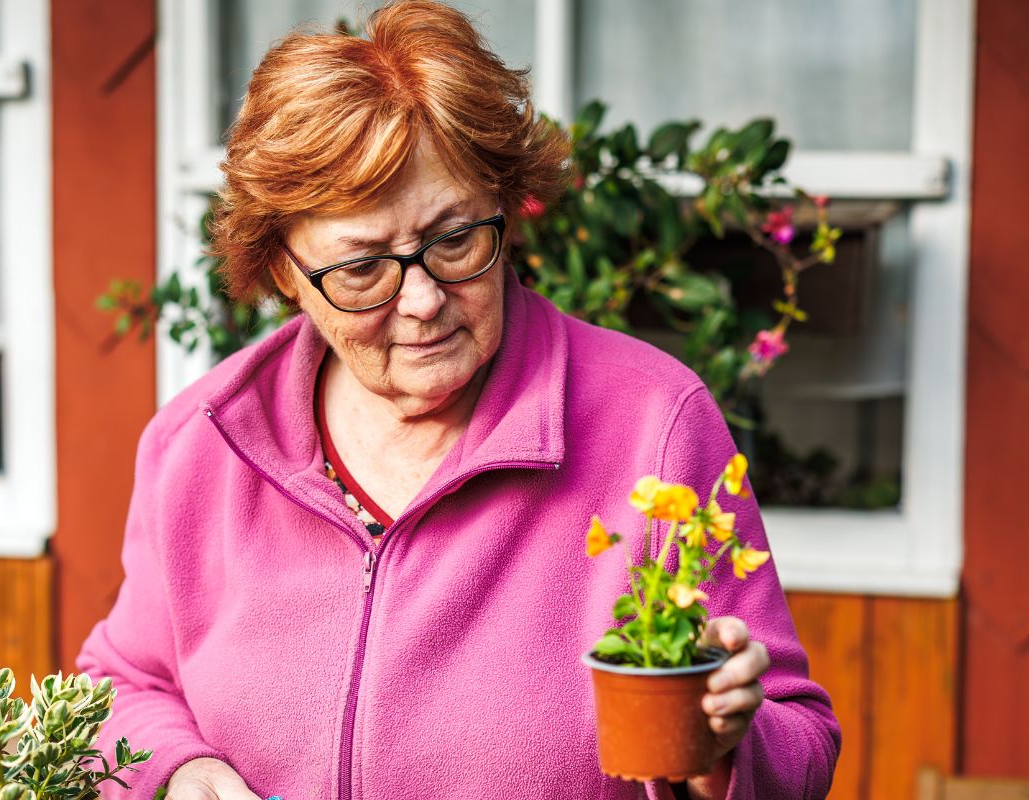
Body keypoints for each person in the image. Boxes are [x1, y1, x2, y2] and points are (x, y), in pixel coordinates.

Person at [76, 3, 840, 799]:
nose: (422, 301)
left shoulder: (653, 427)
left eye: (454, 241)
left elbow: (800, 747)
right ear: (282, 272)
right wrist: (178, 771)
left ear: (504, 209)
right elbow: (124, 685)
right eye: (362, 268)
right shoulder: (203, 442)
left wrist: (721, 747)